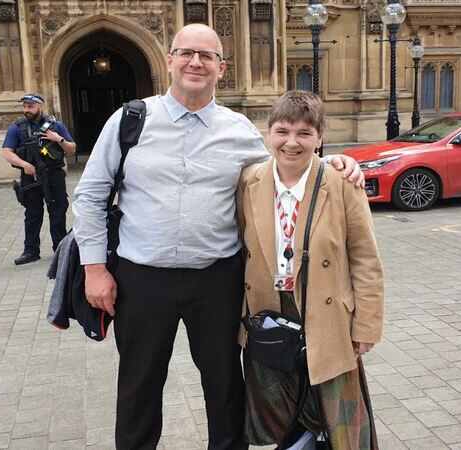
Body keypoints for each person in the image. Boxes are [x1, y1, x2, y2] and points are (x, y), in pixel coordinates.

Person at [72, 24, 363, 450]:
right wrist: (94, 269)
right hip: (142, 278)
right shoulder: (130, 120)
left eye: (206, 56)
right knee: (139, 385)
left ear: (220, 68)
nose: (195, 62)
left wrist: (332, 161)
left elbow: (283, 167)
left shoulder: (240, 129)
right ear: (169, 60)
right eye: (186, 53)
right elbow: (91, 193)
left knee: (225, 385)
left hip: (217, 279)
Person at [237, 91, 384, 449]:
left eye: (304, 133)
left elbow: (365, 259)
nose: (292, 142)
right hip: (270, 314)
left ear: (319, 138)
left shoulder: (342, 183)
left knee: (339, 419)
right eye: (282, 131)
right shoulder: (248, 181)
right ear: (268, 133)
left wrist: (365, 325)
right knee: (281, 417)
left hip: (327, 313)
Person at [1, 93, 77, 265]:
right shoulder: (17, 127)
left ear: (40, 106)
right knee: (33, 214)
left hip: (54, 175)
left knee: (57, 212)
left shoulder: (55, 125)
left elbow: (72, 149)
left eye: (31, 106)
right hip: (31, 176)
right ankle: (31, 251)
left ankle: (59, 249)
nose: (27, 109)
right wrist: (24, 165)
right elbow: (7, 152)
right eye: (25, 106)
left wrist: (59, 139)